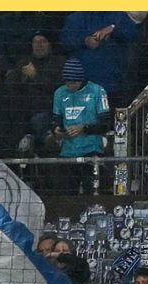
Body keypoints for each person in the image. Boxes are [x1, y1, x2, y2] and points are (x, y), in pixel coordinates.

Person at [50, 58, 110, 195]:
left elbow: (106, 124)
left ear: (81, 79)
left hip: (91, 149)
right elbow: (55, 120)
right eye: (67, 82)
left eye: (74, 82)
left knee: (91, 192)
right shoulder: (59, 93)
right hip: (67, 151)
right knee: (67, 193)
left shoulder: (97, 91)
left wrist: (84, 128)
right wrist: (56, 130)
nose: (70, 85)